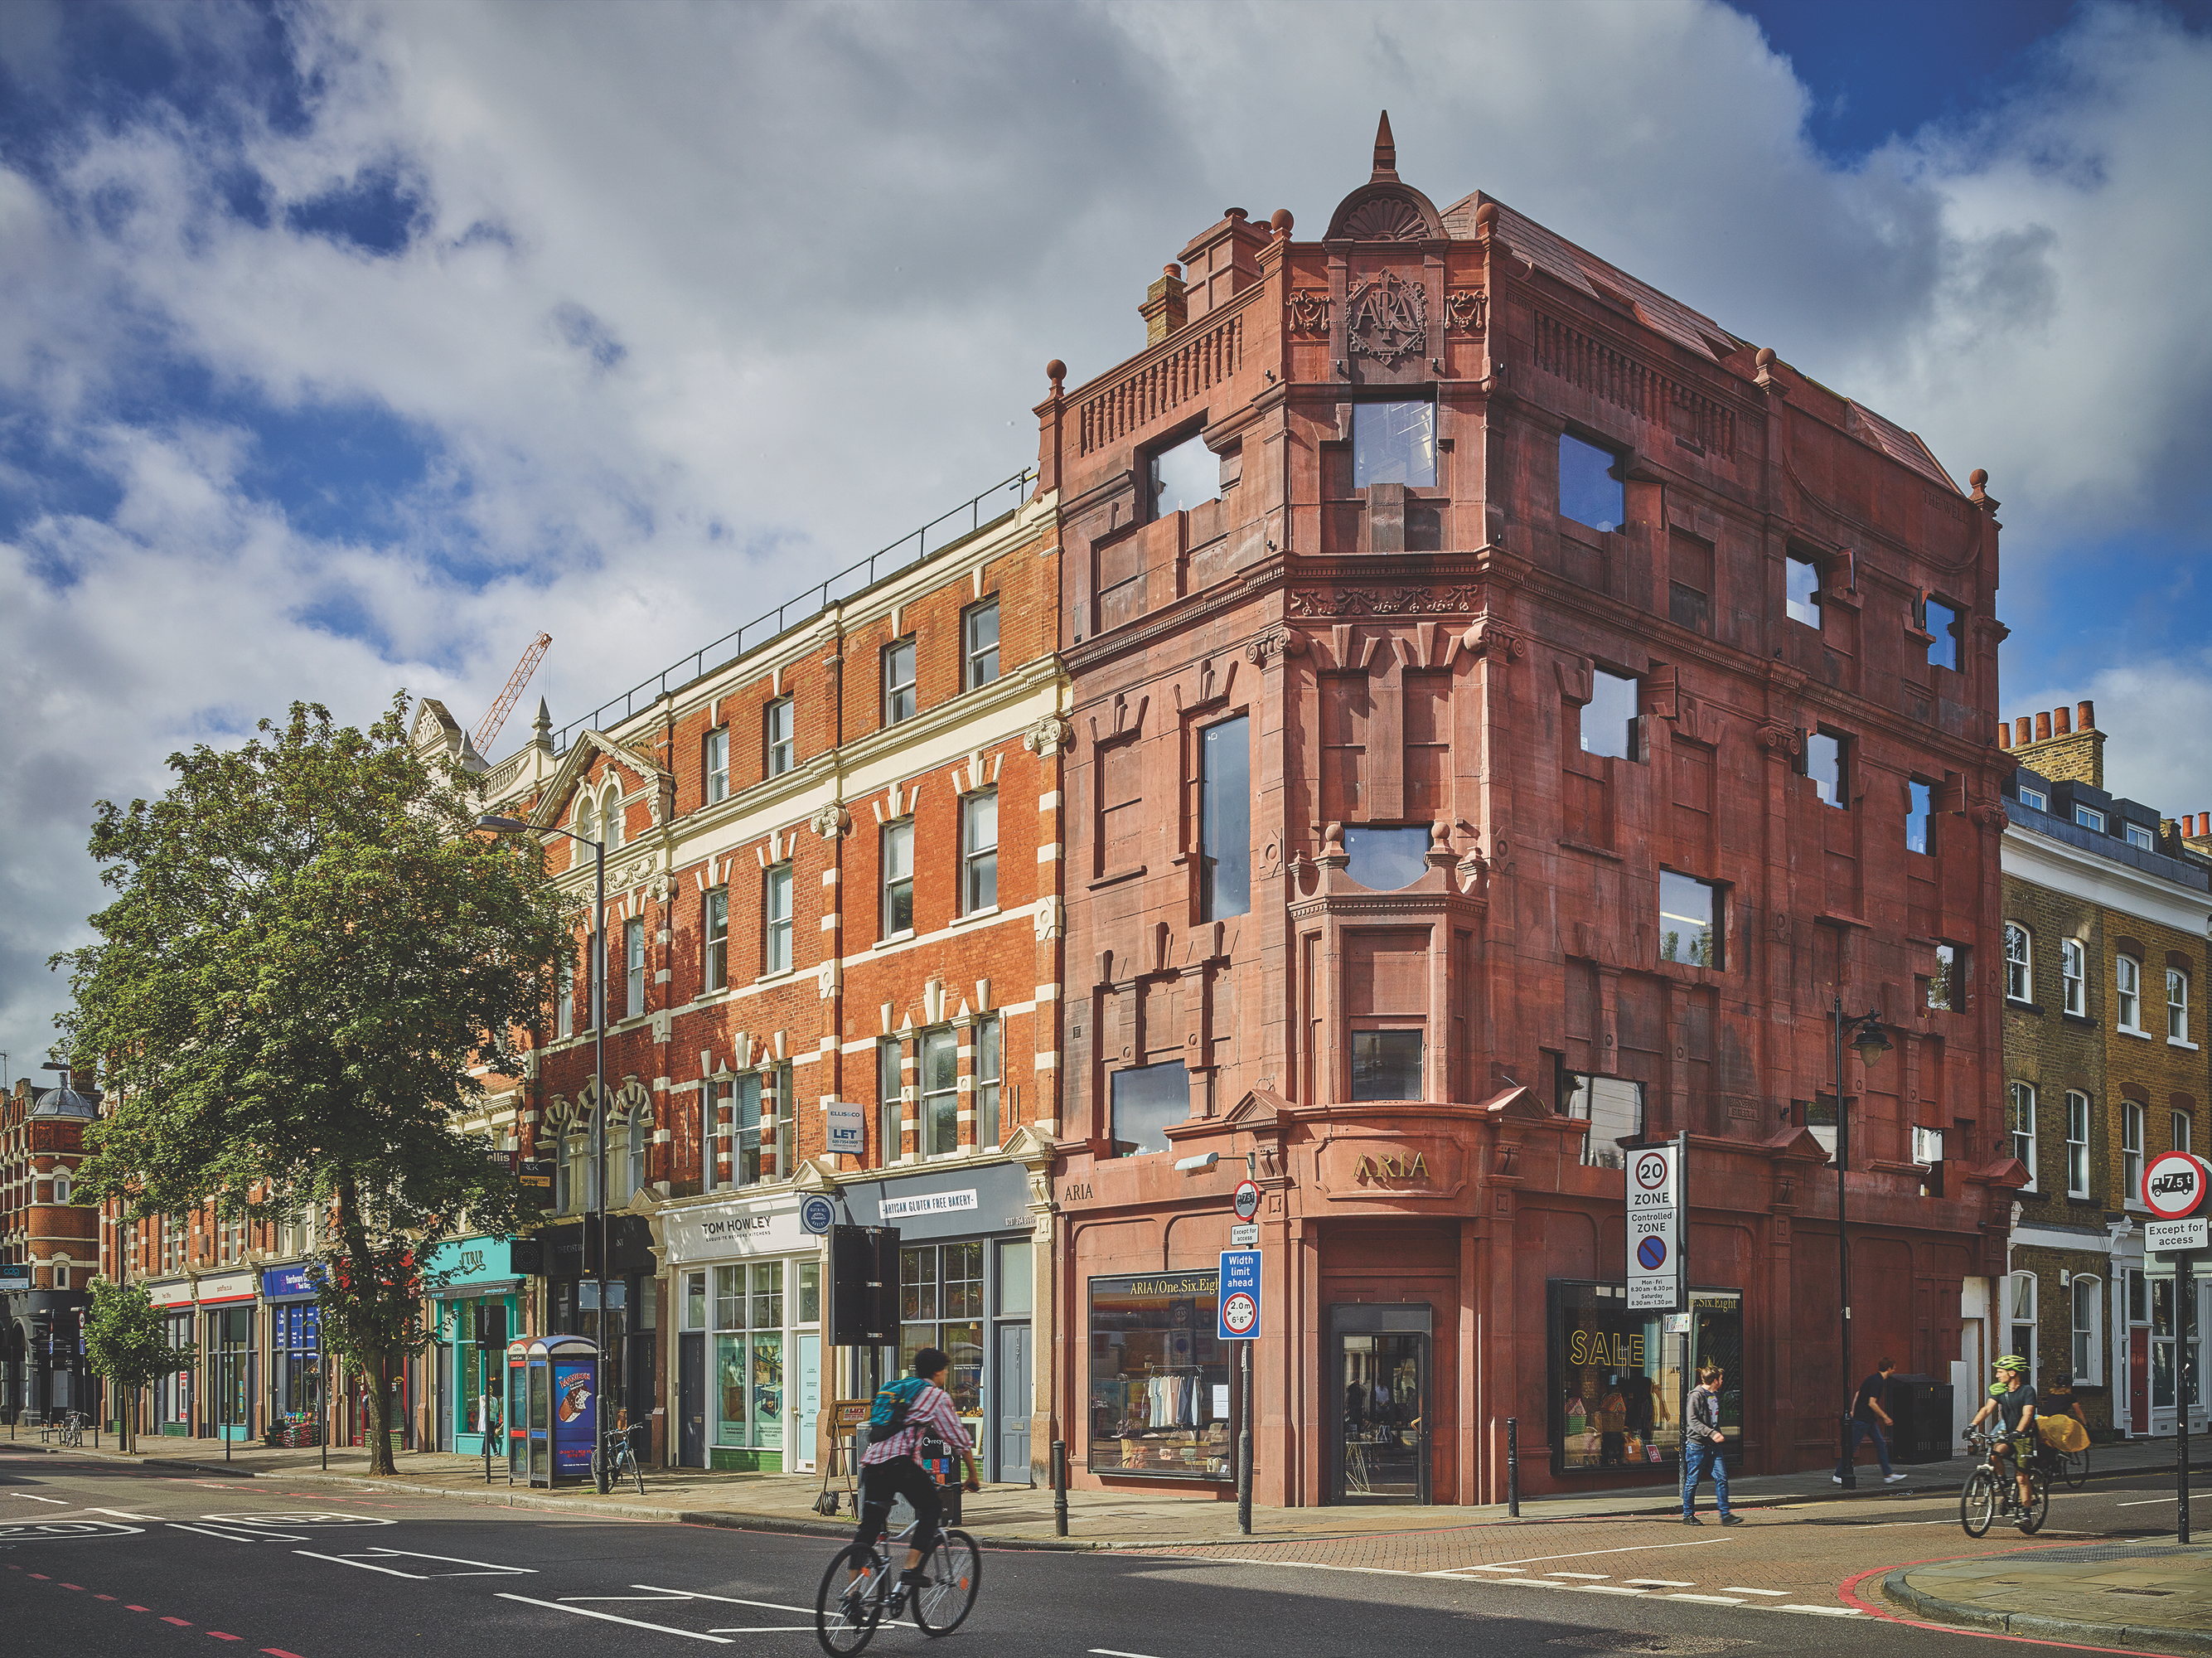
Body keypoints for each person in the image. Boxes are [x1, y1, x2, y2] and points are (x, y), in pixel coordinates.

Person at [846, 1349, 980, 1602]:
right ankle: (910, 1569)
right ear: (938, 1371)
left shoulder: (896, 1387)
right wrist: (973, 1474)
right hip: (901, 1464)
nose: (946, 1374)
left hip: (873, 1462)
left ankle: (852, 1592)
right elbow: (957, 1438)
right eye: (946, 1370)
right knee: (931, 1508)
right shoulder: (934, 1396)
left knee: (868, 1529)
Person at [1967, 1354, 2038, 1513]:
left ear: (2012, 1373)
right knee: (1994, 1453)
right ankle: (2003, 1480)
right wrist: (1972, 1426)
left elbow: (2028, 1415)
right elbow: (1986, 1409)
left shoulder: (2027, 1391)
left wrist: (2019, 1431)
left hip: (2023, 1438)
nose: (1997, 1375)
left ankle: (2026, 1514)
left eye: (2000, 1371)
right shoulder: (2000, 1391)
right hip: (2007, 1436)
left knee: (2021, 1477)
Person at [1681, 1363, 1743, 1526]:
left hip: (1713, 1447)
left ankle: (1725, 1515)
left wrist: (1716, 1432)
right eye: (1721, 1379)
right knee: (1692, 1481)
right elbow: (1692, 1420)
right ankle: (1688, 1515)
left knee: (1722, 1478)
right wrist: (1712, 1433)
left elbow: (1713, 1420)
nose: (1722, 1382)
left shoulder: (1713, 1395)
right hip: (1697, 1446)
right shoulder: (1696, 1395)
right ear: (1715, 1380)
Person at [1833, 1356, 1908, 1484]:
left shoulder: (1872, 1379)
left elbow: (1858, 1394)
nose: (1894, 1371)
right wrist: (1885, 1417)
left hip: (1867, 1419)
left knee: (1880, 1444)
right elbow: (1872, 1403)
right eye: (1893, 1368)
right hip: (1863, 1419)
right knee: (1852, 1447)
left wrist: (1852, 1410)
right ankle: (1838, 1474)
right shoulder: (1877, 1381)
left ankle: (1888, 1475)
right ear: (1889, 1368)